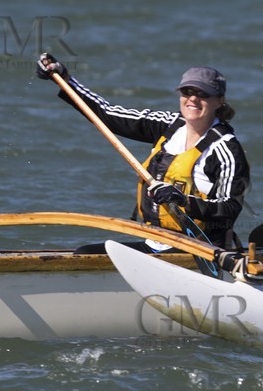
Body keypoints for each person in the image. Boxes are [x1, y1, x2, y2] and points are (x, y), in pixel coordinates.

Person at [36, 54, 250, 250]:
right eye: (187, 92)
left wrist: (184, 201)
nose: (192, 99)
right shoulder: (167, 125)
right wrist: (64, 79)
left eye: (203, 94)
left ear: (219, 100)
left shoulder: (226, 150)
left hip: (201, 248)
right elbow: (106, 114)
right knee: (83, 253)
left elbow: (229, 208)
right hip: (156, 240)